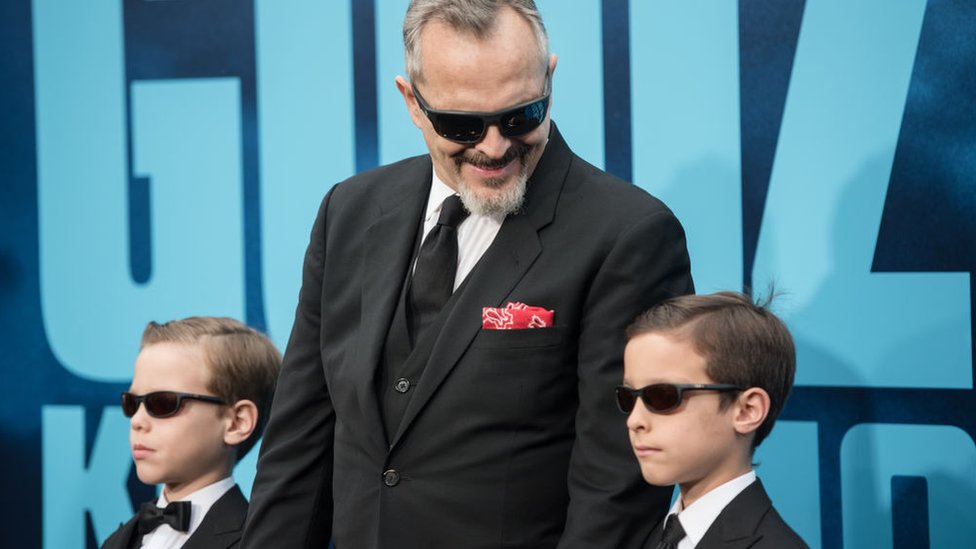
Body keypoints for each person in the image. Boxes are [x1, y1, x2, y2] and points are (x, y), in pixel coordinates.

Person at [242, 1, 693, 547]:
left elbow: (616, 488)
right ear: (412, 101)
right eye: (462, 124)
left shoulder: (627, 235)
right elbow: (298, 448)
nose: (495, 146)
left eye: (521, 116)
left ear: (549, 80)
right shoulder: (350, 212)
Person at [617, 292, 808, 548]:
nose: (635, 421)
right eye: (628, 398)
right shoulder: (654, 536)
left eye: (663, 396)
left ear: (747, 410)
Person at [101, 317, 280, 549]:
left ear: (237, 422)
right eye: (132, 403)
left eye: (163, 403)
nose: (137, 421)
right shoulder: (117, 541)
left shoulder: (257, 543)